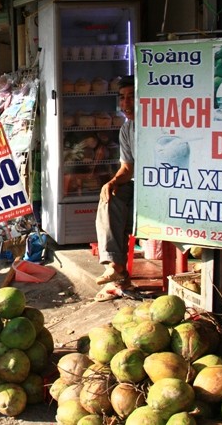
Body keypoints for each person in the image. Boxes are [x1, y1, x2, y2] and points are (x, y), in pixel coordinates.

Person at [94, 75, 136, 300]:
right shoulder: (127, 130)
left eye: (132, 97)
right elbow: (127, 168)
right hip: (138, 186)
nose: (126, 103)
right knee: (110, 196)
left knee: (120, 212)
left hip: (161, 189)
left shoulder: (156, 125)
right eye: (123, 98)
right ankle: (115, 265)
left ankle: (119, 272)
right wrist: (112, 181)